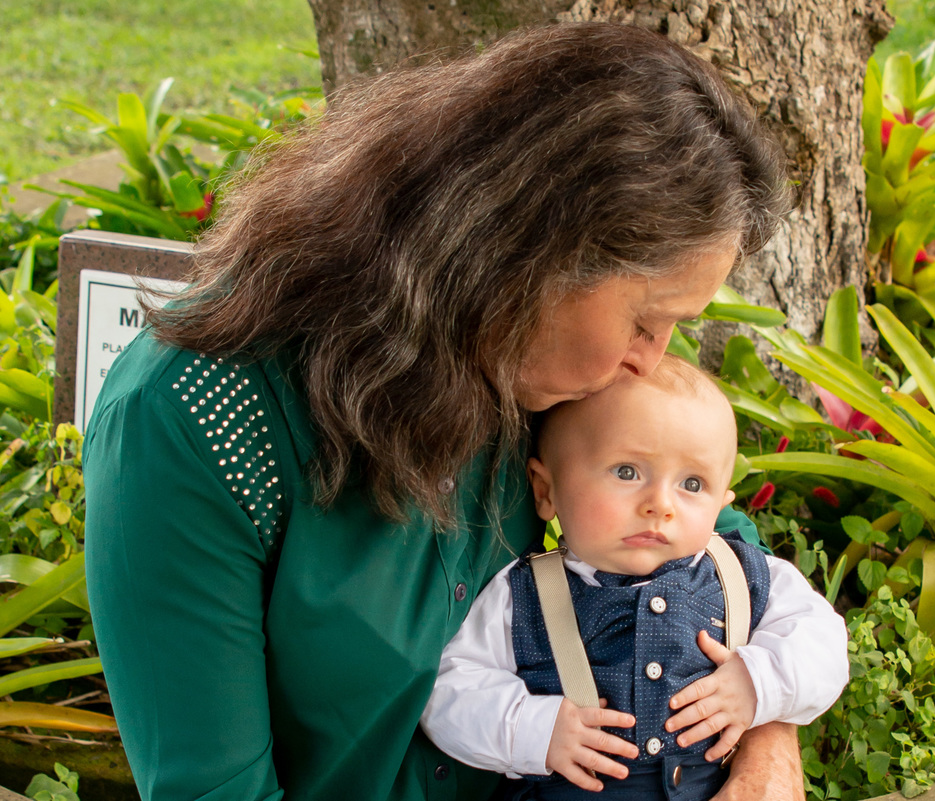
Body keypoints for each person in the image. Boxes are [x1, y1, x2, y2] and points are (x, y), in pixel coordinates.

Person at [82, 21, 801, 801]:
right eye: (644, 320)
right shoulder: (195, 419)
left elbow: (714, 549)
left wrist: (767, 740)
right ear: (530, 255)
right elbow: (213, 790)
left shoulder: (541, 358)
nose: (650, 361)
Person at [420, 356, 848, 800]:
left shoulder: (742, 576)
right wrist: (533, 729)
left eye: (693, 484)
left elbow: (825, 643)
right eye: (627, 472)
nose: (660, 504)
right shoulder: (524, 597)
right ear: (546, 491)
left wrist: (758, 683)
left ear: (723, 501)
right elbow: (447, 687)